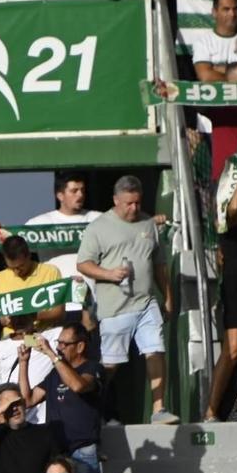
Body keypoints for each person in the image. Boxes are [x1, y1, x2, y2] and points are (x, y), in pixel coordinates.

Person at [76, 175, 174, 424]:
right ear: (116, 200)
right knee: (110, 366)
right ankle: (94, 409)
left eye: (138, 203)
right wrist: (109, 274)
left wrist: (168, 296)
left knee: (155, 351)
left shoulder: (148, 224)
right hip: (115, 309)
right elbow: (84, 263)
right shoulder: (98, 227)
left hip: (146, 302)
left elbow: (159, 263)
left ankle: (158, 409)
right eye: (128, 203)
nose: (134, 208)